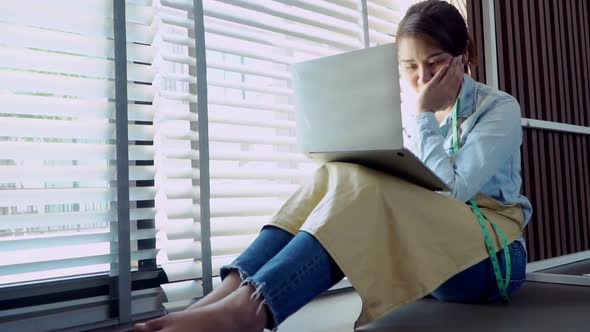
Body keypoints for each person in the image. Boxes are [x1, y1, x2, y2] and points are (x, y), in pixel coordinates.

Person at [134, 1, 532, 331]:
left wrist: (423, 113)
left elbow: (452, 189)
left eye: (436, 64)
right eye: (409, 67)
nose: (422, 78)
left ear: (465, 59)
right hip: (427, 248)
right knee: (340, 173)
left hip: (491, 256)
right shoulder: (410, 115)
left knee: (370, 189)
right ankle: (226, 295)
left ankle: (251, 310)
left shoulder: (498, 108)